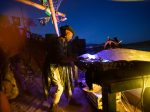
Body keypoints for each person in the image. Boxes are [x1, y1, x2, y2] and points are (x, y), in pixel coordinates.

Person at [43, 25, 76, 112]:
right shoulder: (57, 42)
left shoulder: (64, 42)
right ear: (66, 33)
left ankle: (70, 99)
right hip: (51, 67)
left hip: (57, 66)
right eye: (71, 35)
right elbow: (60, 58)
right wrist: (74, 59)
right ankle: (54, 106)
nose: (71, 37)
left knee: (68, 81)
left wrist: (73, 59)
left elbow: (67, 55)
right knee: (60, 87)